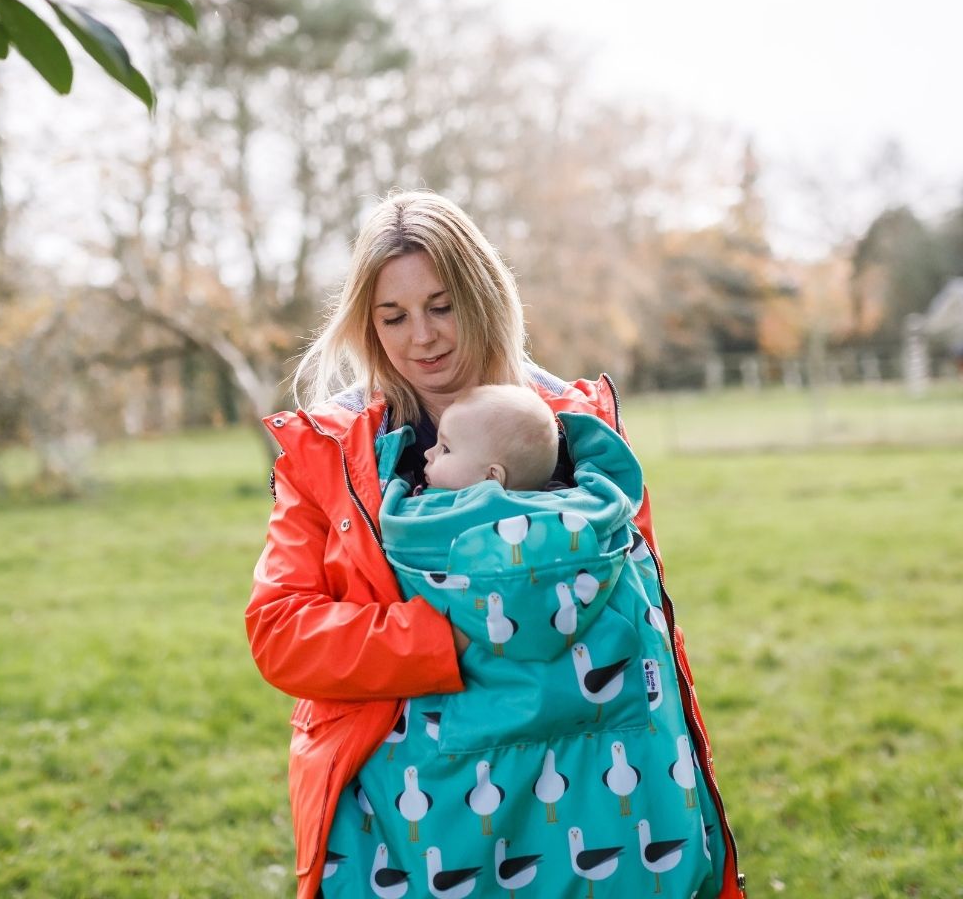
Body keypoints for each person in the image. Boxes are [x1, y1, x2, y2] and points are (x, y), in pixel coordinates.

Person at [245, 190, 745, 899]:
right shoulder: (328, 454)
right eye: (394, 317)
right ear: (366, 324)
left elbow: (648, 625)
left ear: (485, 295)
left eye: (442, 306)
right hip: (414, 828)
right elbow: (281, 632)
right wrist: (455, 634)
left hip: (603, 806)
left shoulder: (579, 435)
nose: (423, 337)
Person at [419, 384, 559, 491]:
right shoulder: (555, 507)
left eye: (445, 449)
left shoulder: (433, 508)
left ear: (491, 478)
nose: (428, 454)